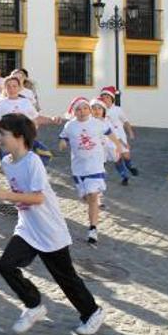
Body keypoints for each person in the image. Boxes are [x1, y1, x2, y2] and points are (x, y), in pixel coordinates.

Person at [0, 114, 106, 335]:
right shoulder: (6, 162)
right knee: (6, 265)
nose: (0, 138)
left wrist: (6, 195)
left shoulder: (33, 162)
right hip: (27, 227)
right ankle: (34, 305)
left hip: (49, 227)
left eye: (3, 134)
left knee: (65, 277)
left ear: (19, 137)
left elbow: (38, 198)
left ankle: (92, 312)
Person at [58, 97, 123, 245]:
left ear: (89, 109)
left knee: (93, 195)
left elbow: (110, 133)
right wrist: (62, 143)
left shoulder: (97, 124)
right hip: (78, 168)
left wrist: (118, 145)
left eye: (85, 108)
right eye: (78, 109)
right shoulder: (70, 126)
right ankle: (93, 201)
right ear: (74, 112)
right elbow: (64, 138)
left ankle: (93, 229)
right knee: (87, 197)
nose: (82, 112)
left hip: (95, 165)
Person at [98, 86, 138, 176]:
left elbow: (126, 121)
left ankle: (130, 166)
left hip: (120, 136)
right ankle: (122, 175)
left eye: (107, 97)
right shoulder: (100, 109)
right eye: (103, 97)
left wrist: (130, 132)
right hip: (107, 139)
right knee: (115, 157)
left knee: (126, 155)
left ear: (112, 99)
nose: (105, 99)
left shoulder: (117, 110)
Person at [90, 99, 131, 186]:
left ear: (103, 111)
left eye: (99, 108)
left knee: (118, 161)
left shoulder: (107, 121)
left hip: (111, 145)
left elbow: (115, 134)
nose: (97, 111)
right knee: (101, 163)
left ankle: (124, 176)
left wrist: (122, 143)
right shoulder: (89, 122)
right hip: (99, 148)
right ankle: (99, 179)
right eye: (94, 109)